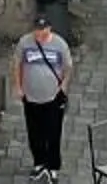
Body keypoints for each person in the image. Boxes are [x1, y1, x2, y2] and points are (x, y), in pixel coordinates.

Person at [15, 12, 72, 183]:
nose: (39, 35)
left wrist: (63, 87)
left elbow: (68, 68)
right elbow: (17, 64)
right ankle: (39, 163)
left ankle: (53, 166)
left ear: (49, 28)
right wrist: (18, 87)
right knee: (34, 133)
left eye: (43, 31)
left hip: (53, 97)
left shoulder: (60, 44)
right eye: (37, 31)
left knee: (53, 133)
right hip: (30, 97)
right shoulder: (25, 42)